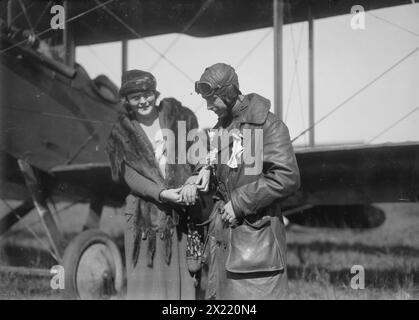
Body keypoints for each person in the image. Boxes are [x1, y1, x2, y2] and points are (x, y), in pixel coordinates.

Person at [187, 63, 301, 299]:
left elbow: (286, 176)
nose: (208, 106)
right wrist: (205, 168)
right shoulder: (222, 127)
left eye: (213, 100)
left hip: (256, 240)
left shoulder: (269, 125)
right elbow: (220, 162)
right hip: (224, 241)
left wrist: (239, 202)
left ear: (228, 94)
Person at [106, 70, 200, 299]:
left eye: (146, 94)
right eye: (135, 97)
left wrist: (194, 178)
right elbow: (131, 176)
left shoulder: (181, 118)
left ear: (155, 94)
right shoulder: (122, 131)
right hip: (143, 218)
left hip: (180, 213)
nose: (143, 101)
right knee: (146, 286)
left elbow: (196, 153)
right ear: (126, 101)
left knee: (181, 284)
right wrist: (163, 193)